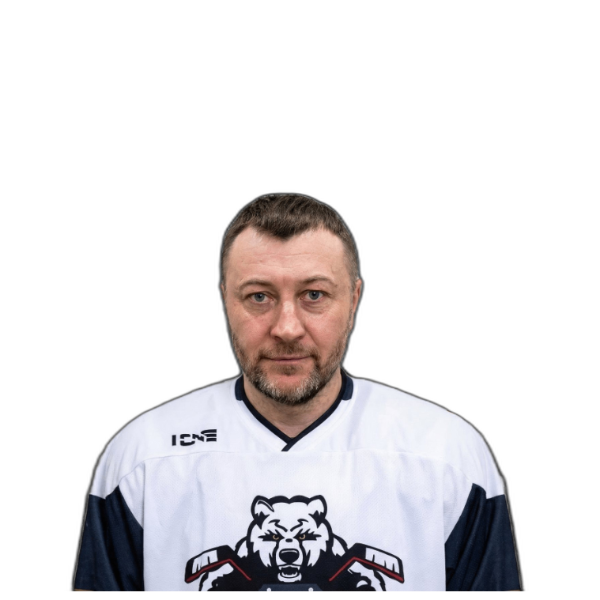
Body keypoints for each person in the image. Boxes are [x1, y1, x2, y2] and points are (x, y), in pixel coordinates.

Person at [74, 194, 521, 592]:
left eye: (314, 294)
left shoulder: (447, 454)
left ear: (354, 300)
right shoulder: (143, 456)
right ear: (225, 300)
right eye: (259, 297)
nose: (287, 328)